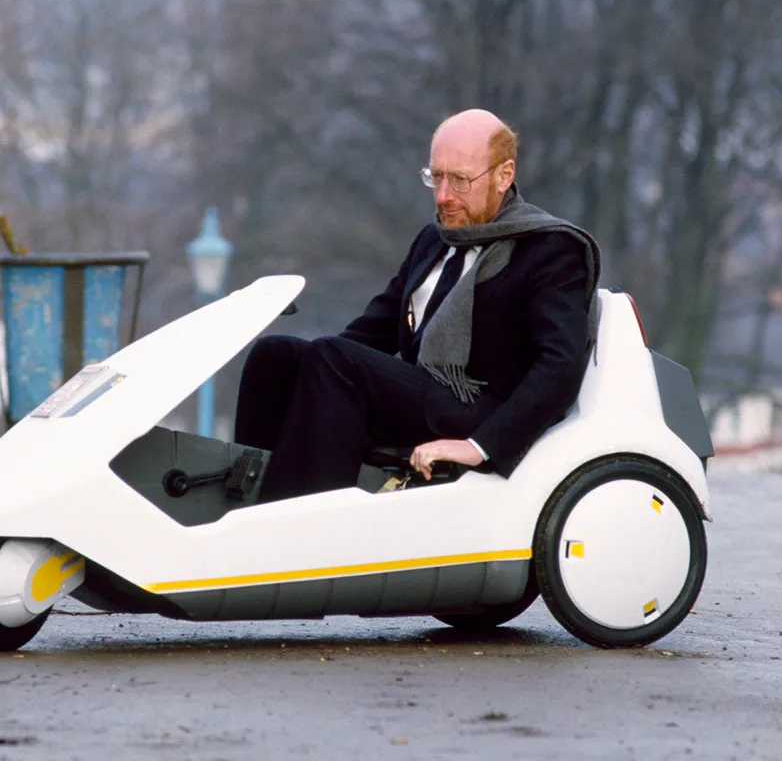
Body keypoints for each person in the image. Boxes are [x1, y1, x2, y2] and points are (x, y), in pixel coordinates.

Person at [234, 109, 599, 501]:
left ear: (504, 175)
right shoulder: (435, 239)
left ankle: (295, 531)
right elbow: (372, 330)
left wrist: (478, 445)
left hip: (478, 410)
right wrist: (314, 377)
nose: (443, 196)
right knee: (277, 357)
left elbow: (558, 367)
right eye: (435, 177)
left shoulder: (549, 248)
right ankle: (242, 500)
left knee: (333, 360)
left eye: (459, 180)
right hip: (420, 396)